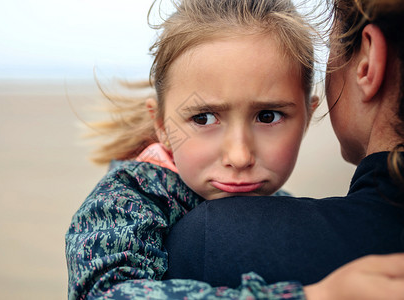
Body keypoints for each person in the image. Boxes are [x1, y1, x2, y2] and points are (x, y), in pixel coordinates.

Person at [65, 1, 404, 300]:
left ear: (307, 115)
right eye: (204, 118)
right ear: (161, 125)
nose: (240, 156)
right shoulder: (126, 201)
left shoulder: (280, 205)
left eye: (268, 116)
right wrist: (311, 295)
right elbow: (105, 292)